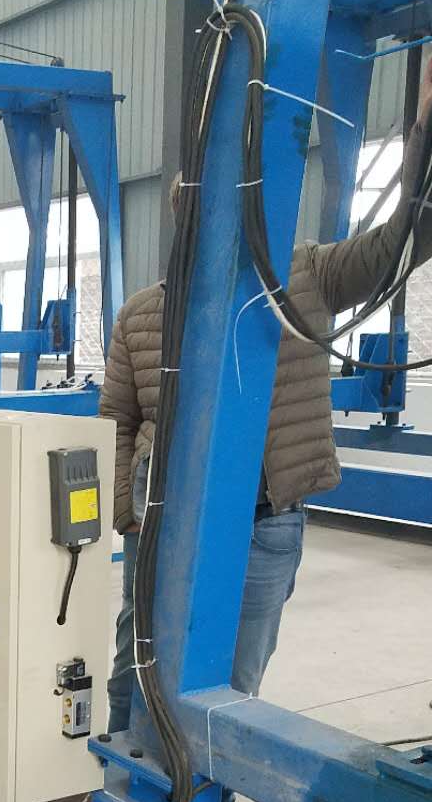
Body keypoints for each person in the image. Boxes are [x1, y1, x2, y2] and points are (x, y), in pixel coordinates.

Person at [103, 56, 432, 734]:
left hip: (265, 521)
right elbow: (118, 419)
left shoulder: (306, 278)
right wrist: (126, 517)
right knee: (136, 669)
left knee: (234, 684)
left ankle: (209, 780)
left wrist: (425, 131)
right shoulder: (141, 314)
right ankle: (125, 772)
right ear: (183, 219)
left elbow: (401, 245)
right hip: (162, 525)